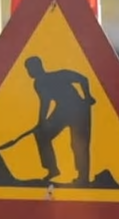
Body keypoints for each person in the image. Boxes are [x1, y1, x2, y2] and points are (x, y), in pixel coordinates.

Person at [24, 56, 96, 185]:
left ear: (37, 67)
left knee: (79, 144)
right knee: (42, 135)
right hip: (62, 111)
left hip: (79, 109)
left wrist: (88, 96)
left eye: (29, 68)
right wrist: (41, 122)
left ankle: (83, 178)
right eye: (27, 69)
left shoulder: (60, 75)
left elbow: (83, 79)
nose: (28, 71)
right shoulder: (38, 83)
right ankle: (52, 169)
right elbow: (45, 102)